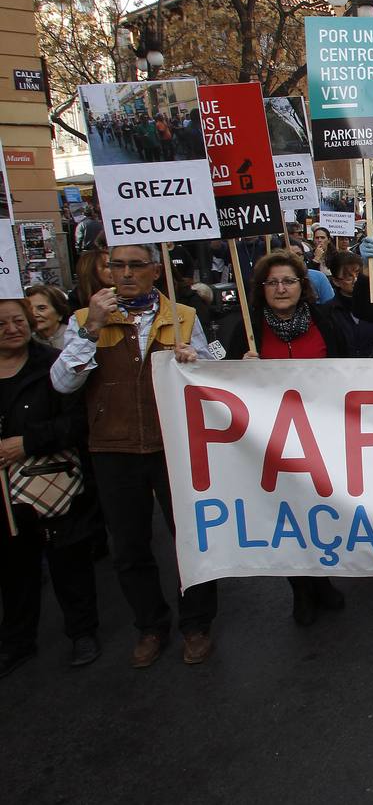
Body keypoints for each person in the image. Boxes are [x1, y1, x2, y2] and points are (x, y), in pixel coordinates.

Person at [50, 244, 219, 667]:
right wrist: (92, 328)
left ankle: (196, 624)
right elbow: (62, 383)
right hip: (114, 448)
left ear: (155, 270)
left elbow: (208, 379)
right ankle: (150, 625)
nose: (124, 274)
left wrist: (192, 363)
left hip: (173, 445)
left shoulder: (184, 317)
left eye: (135, 265)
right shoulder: (84, 320)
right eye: (116, 265)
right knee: (128, 546)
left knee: (191, 538)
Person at [223, 252, 350, 622]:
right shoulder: (242, 329)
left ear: (303, 286)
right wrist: (236, 371)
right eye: (273, 282)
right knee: (288, 515)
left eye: (289, 281)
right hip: (271, 440)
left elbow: (351, 367)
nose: (281, 288)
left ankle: (322, 579)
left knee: (322, 511)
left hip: (324, 434)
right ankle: (301, 589)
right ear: (261, 289)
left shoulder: (325, 321)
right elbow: (213, 377)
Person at [0, 298, 101, 676]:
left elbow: (78, 421)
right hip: (8, 497)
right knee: (14, 569)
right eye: (3, 324)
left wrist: (26, 443)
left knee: (69, 561)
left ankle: (82, 631)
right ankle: (17, 640)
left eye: (18, 321)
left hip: (56, 484)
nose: (13, 329)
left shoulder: (53, 367)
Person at [328, 250, 373, 356]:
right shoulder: (328, 312)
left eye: (358, 274)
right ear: (336, 281)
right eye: (348, 276)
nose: (355, 280)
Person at [25, 284, 73, 349]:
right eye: (29, 309)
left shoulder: (75, 337)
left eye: (41, 308)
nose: (34, 313)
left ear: (60, 312)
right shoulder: (26, 342)